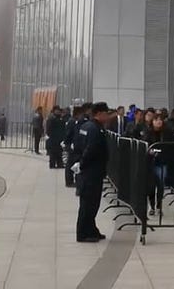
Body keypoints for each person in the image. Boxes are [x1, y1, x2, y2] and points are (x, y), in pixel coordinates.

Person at [73, 102, 110, 242]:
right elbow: (91, 150)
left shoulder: (86, 126)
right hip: (91, 172)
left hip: (89, 171)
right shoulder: (95, 129)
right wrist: (82, 164)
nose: (107, 116)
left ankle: (91, 229)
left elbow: (78, 145)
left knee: (91, 203)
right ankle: (83, 233)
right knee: (88, 204)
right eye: (105, 113)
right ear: (99, 114)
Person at [144, 115, 174, 216]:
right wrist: (151, 152)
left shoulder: (167, 133)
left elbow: (169, 146)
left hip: (162, 162)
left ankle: (159, 206)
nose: (159, 122)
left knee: (160, 185)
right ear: (152, 121)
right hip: (151, 162)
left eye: (160, 120)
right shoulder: (148, 132)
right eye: (156, 120)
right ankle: (152, 206)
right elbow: (146, 145)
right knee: (151, 187)